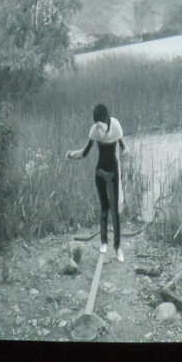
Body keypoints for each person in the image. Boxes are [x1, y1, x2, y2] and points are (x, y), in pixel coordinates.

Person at [70, 102, 127, 256]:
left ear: (107, 120)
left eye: (101, 127)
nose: (99, 130)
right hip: (100, 173)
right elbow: (84, 152)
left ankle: (117, 248)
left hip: (113, 173)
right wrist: (72, 154)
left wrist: (127, 152)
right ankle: (104, 242)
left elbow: (124, 147)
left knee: (115, 211)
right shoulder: (94, 131)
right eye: (97, 127)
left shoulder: (116, 126)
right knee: (104, 209)